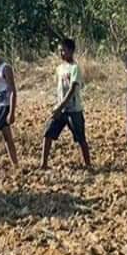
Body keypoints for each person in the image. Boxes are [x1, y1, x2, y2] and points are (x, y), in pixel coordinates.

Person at [41, 38, 92, 170]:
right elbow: (59, 89)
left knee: (80, 138)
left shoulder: (75, 68)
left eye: (63, 50)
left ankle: (88, 165)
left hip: (74, 109)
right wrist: (57, 105)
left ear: (70, 51)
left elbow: (72, 89)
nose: (61, 53)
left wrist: (61, 106)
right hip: (60, 109)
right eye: (60, 51)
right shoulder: (59, 69)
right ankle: (44, 164)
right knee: (48, 133)